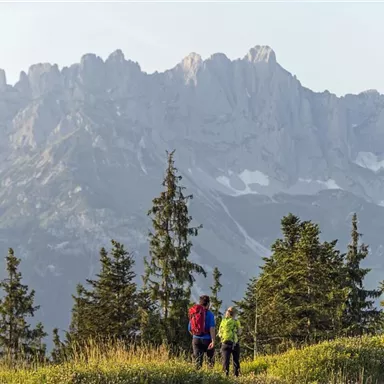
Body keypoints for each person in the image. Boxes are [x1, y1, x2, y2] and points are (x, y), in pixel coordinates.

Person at [188, 295, 216, 369]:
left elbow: (189, 328)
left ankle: (197, 378)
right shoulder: (210, 314)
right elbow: (212, 328)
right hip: (207, 340)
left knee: (197, 361)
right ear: (208, 304)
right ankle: (210, 377)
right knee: (210, 361)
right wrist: (213, 341)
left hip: (196, 339)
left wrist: (196, 335)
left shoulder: (195, 313)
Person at [218, 306, 241, 377]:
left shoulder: (223, 321)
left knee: (225, 361)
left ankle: (225, 376)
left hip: (224, 343)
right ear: (234, 314)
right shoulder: (236, 321)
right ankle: (236, 376)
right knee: (236, 361)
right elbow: (239, 332)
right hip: (234, 343)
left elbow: (219, 333)